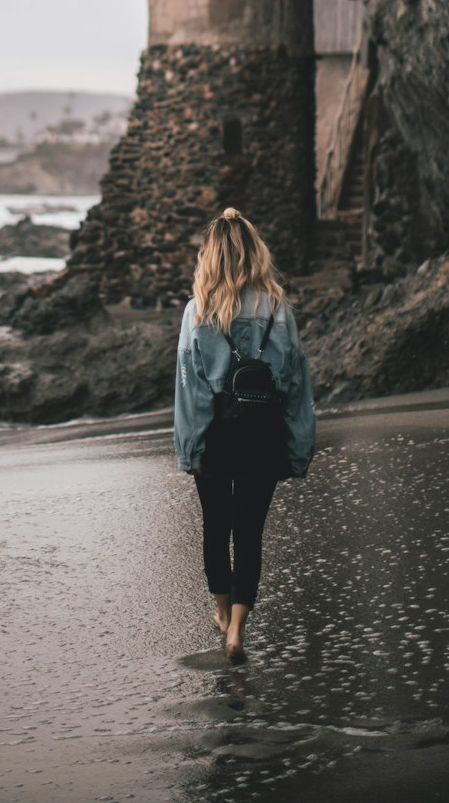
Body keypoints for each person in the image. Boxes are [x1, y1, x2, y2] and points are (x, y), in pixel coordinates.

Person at [174, 207, 315, 663]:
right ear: (256, 253)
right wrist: (298, 449)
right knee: (249, 531)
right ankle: (237, 627)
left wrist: (190, 447)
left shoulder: (198, 311)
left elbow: (190, 389)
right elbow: (296, 387)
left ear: (209, 257)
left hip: (215, 434)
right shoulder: (278, 309)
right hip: (263, 434)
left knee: (216, 528)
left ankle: (219, 612)